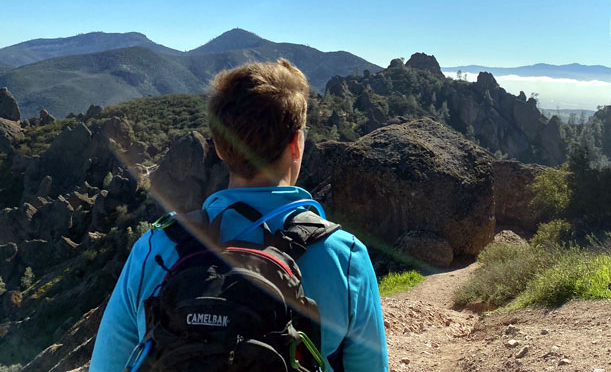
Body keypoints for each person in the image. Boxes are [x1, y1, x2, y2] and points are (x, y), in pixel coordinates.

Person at [89, 59, 388, 372]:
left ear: (219, 145)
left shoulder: (155, 248)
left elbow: (107, 365)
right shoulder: (346, 256)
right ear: (296, 145)